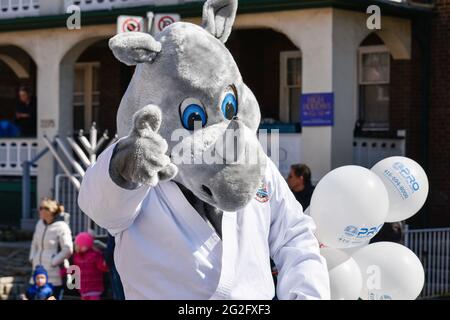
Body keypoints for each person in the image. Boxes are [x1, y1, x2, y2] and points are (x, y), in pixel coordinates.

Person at [29, 198, 73, 300]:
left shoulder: (62, 227)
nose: (39, 210)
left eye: (42, 208)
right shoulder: (39, 223)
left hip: (53, 276)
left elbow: (68, 249)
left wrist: (53, 262)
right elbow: (34, 243)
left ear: (50, 211)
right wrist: (32, 258)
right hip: (37, 273)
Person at [72, 232, 109, 300]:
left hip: (94, 289)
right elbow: (74, 269)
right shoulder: (77, 257)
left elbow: (102, 267)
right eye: (76, 244)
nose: (76, 247)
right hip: (83, 289)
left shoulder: (95, 255)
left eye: (78, 244)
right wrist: (64, 271)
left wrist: (105, 263)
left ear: (85, 246)